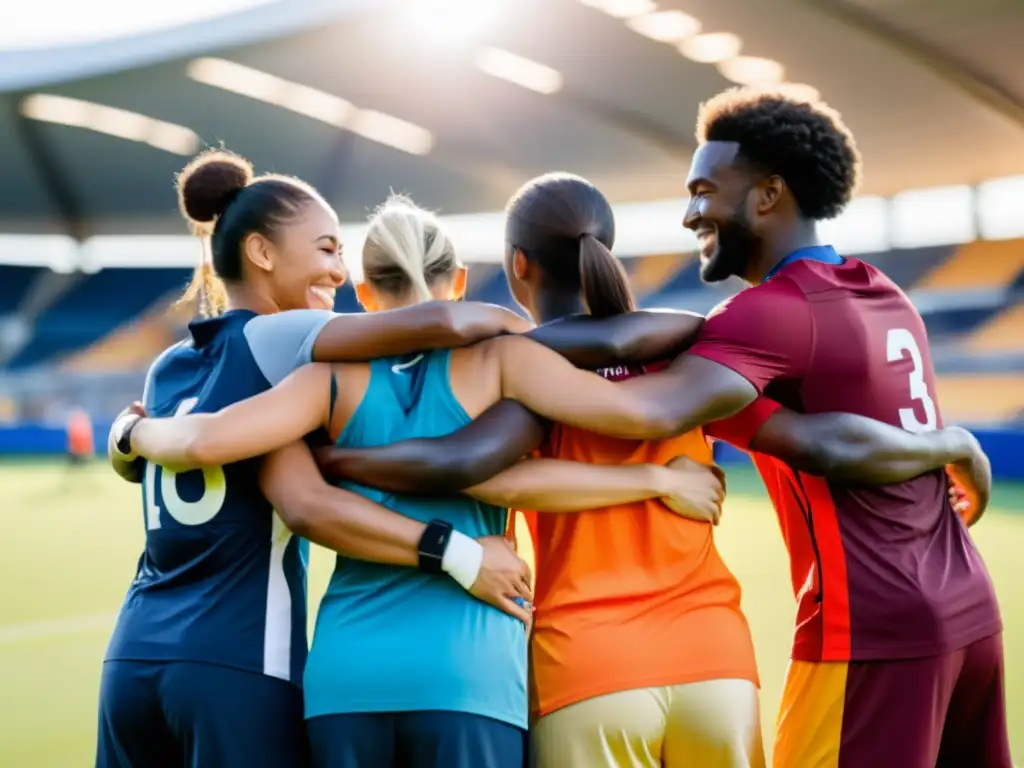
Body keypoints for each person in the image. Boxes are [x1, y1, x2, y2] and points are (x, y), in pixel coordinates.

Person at [330, 91, 1005, 767]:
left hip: (826, 632)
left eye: (705, 191)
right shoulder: (838, 306)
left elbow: (486, 460)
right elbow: (791, 434)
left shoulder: (734, 329)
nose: (689, 213)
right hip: (862, 630)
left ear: (518, 267)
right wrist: (953, 441)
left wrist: (345, 460)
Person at [102, 152, 705, 768]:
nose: (335, 273)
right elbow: (488, 468)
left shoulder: (208, 371)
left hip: (231, 660)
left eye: (343, 256)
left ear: (367, 293)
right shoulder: (298, 348)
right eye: (326, 250)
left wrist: (128, 437)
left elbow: (239, 466)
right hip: (381, 667)